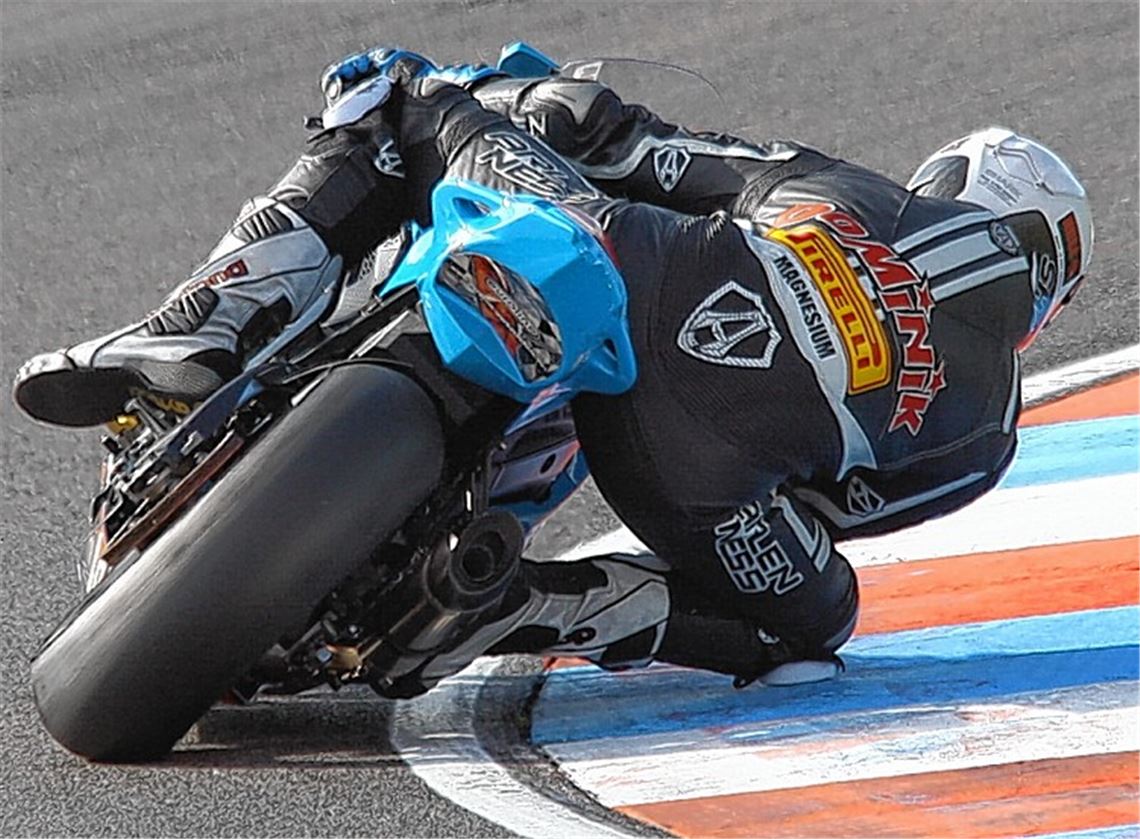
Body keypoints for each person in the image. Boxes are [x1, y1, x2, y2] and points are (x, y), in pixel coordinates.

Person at [12, 47, 1092, 695]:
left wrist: (532, 103)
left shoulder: (851, 190)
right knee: (811, 624)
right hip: (693, 478)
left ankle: (211, 316)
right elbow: (829, 508)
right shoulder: (985, 435)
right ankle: (524, 604)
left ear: (956, 183)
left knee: (397, 97)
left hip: (626, 273)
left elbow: (635, 147)